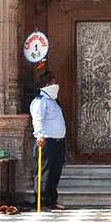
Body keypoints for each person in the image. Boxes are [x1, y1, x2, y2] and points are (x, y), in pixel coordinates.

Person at [30, 71, 66, 211]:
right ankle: (42, 201)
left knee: (54, 171)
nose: (56, 85)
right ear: (47, 85)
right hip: (46, 142)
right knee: (44, 171)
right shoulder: (40, 101)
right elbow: (37, 119)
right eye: (53, 83)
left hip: (58, 141)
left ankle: (52, 200)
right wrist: (39, 135)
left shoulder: (53, 101)